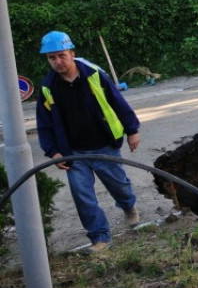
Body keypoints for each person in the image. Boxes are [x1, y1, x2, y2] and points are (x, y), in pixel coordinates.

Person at [35, 31, 141, 253]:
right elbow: (44, 124)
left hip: (104, 145)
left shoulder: (94, 75)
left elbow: (117, 101)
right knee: (82, 195)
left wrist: (132, 130)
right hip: (73, 153)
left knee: (119, 186)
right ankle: (99, 237)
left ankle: (128, 206)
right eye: (51, 58)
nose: (57, 62)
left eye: (61, 55)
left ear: (72, 53)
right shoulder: (48, 88)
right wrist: (53, 152)